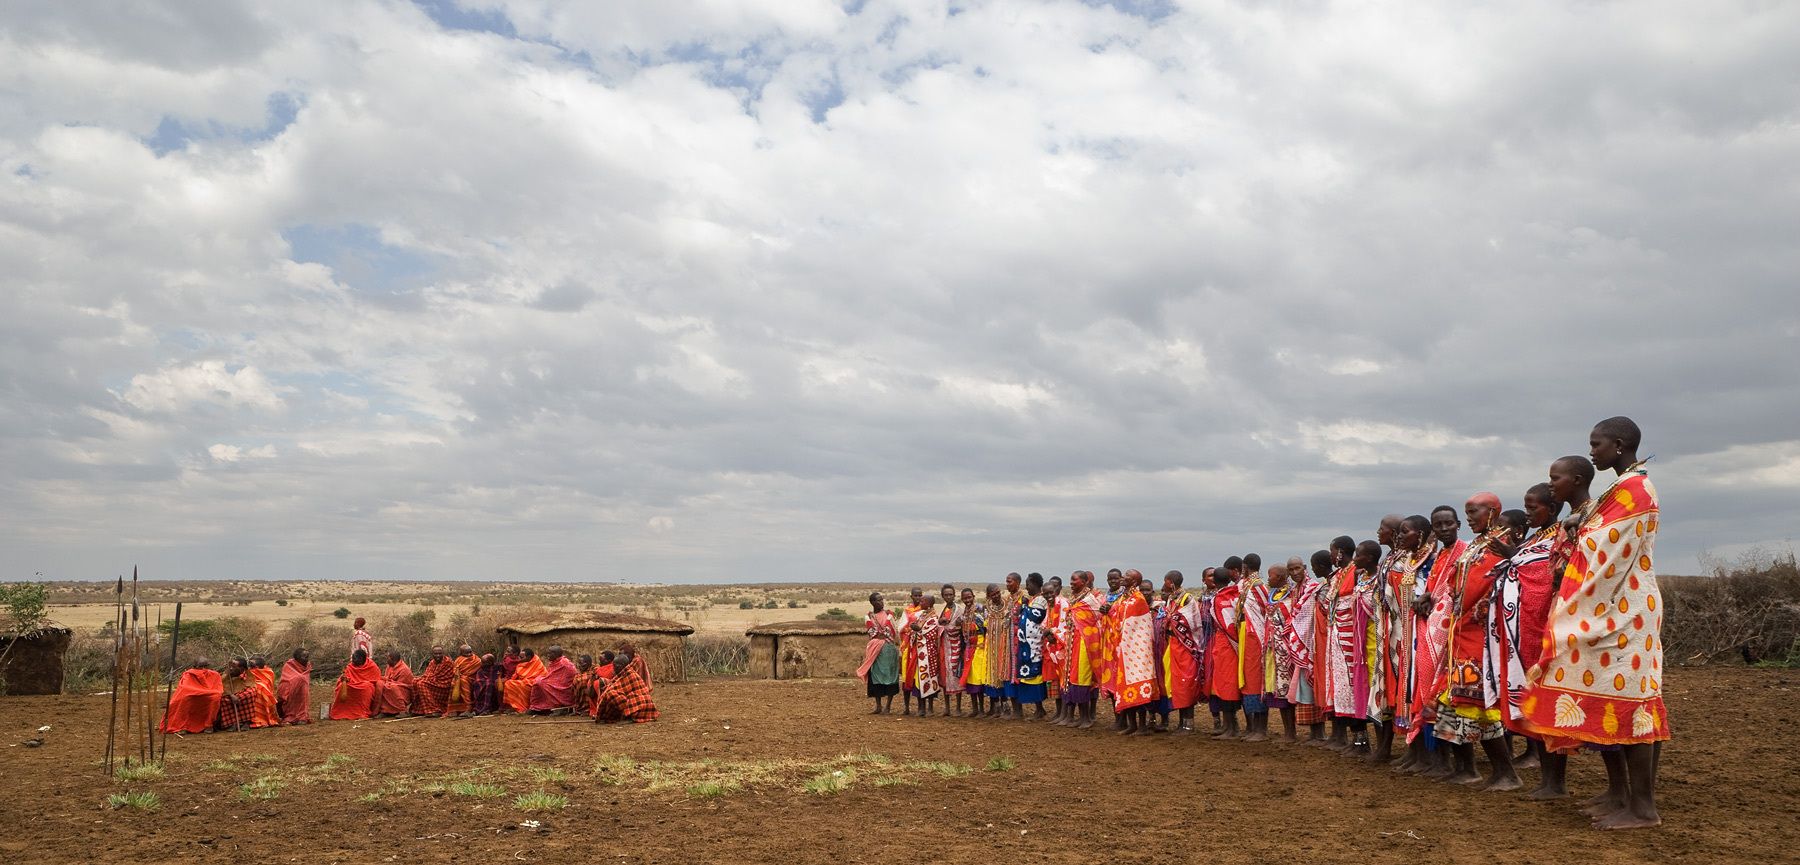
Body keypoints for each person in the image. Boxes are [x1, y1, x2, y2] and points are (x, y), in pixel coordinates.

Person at [1520, 417, 1670, 830]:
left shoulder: (1636, 490)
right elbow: (1598, 532)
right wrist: (1579, 524)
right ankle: (1620, 795)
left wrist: (1579, 529)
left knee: (1633, 707)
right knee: (1607, 698)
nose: (1592, 452)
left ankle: (1643, 809)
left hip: (1626, 611)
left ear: (1618, 445)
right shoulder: (1619, 487)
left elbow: (1609, 545)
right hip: (1613, 610)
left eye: (1596, 444)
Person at [1432, 493, 1520, 790]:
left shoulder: (1498, 543)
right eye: (1467, 512)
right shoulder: (1480, 544)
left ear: (1493, 511)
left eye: (1474, 512)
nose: (1468, 517)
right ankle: (1466, 768)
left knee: (1479, 705)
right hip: (1461, 635)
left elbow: (1478, 585)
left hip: (1480, 638)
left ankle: (1506, 773)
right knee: (1455, 701)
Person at [1524, 454, 1596, 799]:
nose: (1551, 483)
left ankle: (1622, 792)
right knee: (1546, 701)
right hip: (1552, 620)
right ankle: (1553, 783)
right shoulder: (1571, 521)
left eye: (1556, 478)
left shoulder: (1594, 517)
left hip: (1580, 622)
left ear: (1577, 480)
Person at [1495, 486, 1563, 770]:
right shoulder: (1537, 538)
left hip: (1540, 625)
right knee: (1523, 687)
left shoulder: (1559, 536)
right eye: (1526, 507)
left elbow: (1543, 576)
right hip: (1519, 626)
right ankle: (1532, 749)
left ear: (1553, 508)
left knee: (1540, 690)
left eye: (1533, 507)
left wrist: (1512, 554)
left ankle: (1541, 755)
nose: (1528, 513)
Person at [1410, 505, 1467, 777]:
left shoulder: (1465, 551)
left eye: (1448, 523)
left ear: (1458, 524)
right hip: (1433, 632)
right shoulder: (1440, 555)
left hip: (1453, 635)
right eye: (1438, 525)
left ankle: (1458, 765)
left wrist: (1435, 600)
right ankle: (1442, 762)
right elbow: (1434, 588)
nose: (1444, 529)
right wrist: (1426, 598)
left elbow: (1460, 590)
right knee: (1432, 697)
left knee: (1447, 697)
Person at [1389, 516, 1438, 772]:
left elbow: (1436, 593)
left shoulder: (1431, 560)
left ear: (1420, 534)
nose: (1399, 536)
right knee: (1408, 692)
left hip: (1425, 633)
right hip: (1407, 634)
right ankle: (1415, 752)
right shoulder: (1409, 561)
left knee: (1422, 691)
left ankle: (1429, 756)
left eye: (1405, 532)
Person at [1324, 535, 1365, 752]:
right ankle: (1352, 740)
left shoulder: (1355, 572)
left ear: (1340, 551)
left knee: (1353, 688)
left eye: (1332, 551)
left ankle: (1361, 741)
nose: (1331, 555)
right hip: (1338, 638)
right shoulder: (1340, 574)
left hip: (1350, 638)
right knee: (1342, 689)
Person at [1107, 570, 1156, 735]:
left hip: (1136, 652)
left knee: (1137, 688)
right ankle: (1131, 725)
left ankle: (1142, 726)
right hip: (1122, 649)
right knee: (1124, 687)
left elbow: (1140, 628)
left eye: (1126, 576)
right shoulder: (1124, 598)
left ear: (1134, 581)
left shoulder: (1138, 600)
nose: (1123, 578)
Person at [1056, 571, 1104, 729]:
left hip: (1085, 644)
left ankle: (1086, 718)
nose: (1071, 582)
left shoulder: (1090, 600)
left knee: (1082, 678)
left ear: (1084, 581)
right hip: (1073, 643)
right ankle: (1081, 717)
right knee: (1073, 677)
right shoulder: (1075, 598)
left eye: (1074, 580)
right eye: (1070, 579)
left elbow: (1096, 620)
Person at [1161, 570, 1204, 735]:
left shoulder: (1187, 599)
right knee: (1176, 685)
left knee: (1186, 683)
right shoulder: (1171, 599)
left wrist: (1173, 619)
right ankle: (1181, 723)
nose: (1164, 585)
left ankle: (1188, 724)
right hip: (1173, 645)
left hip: (1186, 647)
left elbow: (1193, 621)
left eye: (1165, 582)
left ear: (1170, 582)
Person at [1206, 559, 1243, 739]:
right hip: (1236, 643)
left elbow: (1224, 624)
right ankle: (1231, 726)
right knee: (1229, 683)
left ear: (1214, 582)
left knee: (1226, 685)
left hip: (1225, 644)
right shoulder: (1236, 594)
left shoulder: (1218, 599)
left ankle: (1231, 728)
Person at [1262, 564, 1298, 742]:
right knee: (1278, 691)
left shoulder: (1291, 594)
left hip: (1286, 649)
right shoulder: (1274, 594)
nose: (1268, 579)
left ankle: (1291, 733)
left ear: (1282, 577)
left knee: (1287, 691)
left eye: (1271, 576)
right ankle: (1287, 732)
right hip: (1272, 649)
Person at [1237, 558, 1271, 742]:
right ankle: (1253, 727)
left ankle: (1261, 729)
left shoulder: (1257, 586)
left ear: (1245, 568)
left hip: (1257, 637)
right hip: (1247, 636)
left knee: (1257, 679)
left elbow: (1266, 611)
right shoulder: (1248, 585)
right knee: (1249, 679)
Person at [1012, 574, 1050, 720]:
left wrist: (1024, 607)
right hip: (1027, 646)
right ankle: (1038, 709)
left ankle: (1040, 709)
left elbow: (1035, 617)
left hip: (1034, 647)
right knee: (1030, 677)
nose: (1026, 587)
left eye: (1028, 584)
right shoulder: (1032, 600)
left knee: (1035, 677)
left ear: (1035, 584)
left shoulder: (1040, 600)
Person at [858, 592, 902, 714]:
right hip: (875, 651)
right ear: (872, 602)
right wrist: (881, 634)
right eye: (877, 600)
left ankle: (888, 706)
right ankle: (878, 706)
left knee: (891, 676)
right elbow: (873, 632)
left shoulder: (889, 614)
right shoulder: (869, 616)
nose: (881, 602)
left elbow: (889, 632)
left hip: (889, 650)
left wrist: (880, 634)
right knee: (875, 676)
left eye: (882, 599)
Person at [160, 658, 224, 734]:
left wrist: (209, 693)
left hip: (209, 696)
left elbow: (218, 689)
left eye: (206, 666)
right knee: (184, 699)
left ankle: (208, 725)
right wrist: (200, 692)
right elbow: (185, 688)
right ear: (195, 666)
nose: (203, 669)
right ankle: (183, 726)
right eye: (201, 666)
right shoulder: (189, 674)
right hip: (192, 695)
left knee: (216, 698)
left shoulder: (214, 674)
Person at [593, 651, 658, 723]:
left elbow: (616, 690)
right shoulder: (622, 674)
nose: (613, 668)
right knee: (609, 693)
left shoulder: (631, 675)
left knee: (611, 694)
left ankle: (628, 715)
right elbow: (616, 686)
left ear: (622, 665)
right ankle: (624, 714)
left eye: (615, 666)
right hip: (632, 703)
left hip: (640, 706)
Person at [910, 595, 944, 717]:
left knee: (929, 679)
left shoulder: (934, 618)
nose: (920, 601)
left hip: (929, 653)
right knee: (919, 680)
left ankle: (929, 708)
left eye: (923, 600)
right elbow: (916, 632)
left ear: (929, 604)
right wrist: (915, 630)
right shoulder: (922, 615)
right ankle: (921, 707)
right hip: (920, 653)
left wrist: (917, 630)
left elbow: (929, 635)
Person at [957, 587, 988, 716]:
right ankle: (975, 709)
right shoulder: (965, 612)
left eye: (969, 597)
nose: (967, 600)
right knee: (970, 678)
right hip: (969, 649)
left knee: (978, 679)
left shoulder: (980, 608)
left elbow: (986, 628)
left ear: (973, 596)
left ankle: (981, 709)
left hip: (979, 648)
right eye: (965, 598)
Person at [328, 649, 382, 721]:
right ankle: (341, 712)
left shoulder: (372, 666)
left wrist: (361, 683)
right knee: (341, 686)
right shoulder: (351, 666)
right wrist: (344, 679)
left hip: (364, 685)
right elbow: (345, 676)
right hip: (352, 684)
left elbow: (375, 680)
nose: (352, 661)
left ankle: (362, 713)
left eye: (355, 659)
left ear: (362, 659)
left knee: (367, 687)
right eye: (352, 658)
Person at [938, 584, 966, 717]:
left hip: (956, 646)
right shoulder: (941, 611)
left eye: (951, 594)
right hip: (944, 646)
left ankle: (958, 707)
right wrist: (941, 623)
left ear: (954, 595)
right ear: (942, 596)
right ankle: (947, 707)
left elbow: (962, 628)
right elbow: (938, 628)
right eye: (946, 595)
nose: (948, 597)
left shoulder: (960, 610)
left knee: (956, 675)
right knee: (944, 676)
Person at [898, 586, 926, 716]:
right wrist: (911, 629)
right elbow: (900, 628)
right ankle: (907, 707)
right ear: (911, 596)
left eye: (920, 595)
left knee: (920, 677)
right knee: (906, 676)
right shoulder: (907, 611)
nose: (918, 598)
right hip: (908, 647)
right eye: (916, 595)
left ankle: (921, 708)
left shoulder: (926, 611)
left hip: (920, 647)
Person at [527, 645, 578, 714]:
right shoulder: (555, 662)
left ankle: (550, 706)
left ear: (555, 654)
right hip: (555, 684)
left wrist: (543, 681)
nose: (547, 655)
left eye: (550, 653)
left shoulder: (565, 664)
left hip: (564, 689)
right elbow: (552, 676)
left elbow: (567, 679)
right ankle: (538, 707)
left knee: (540, 683)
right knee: (538, 682)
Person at [218, 658, 260, 731]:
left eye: (234, 667)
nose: (231, 668)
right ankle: (233, 723)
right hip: (230, 694)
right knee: (223, 699)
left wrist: (238, 696)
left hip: (242, 693)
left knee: (250, 693)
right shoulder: (227, 674)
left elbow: (251, 685)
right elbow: (222, 686)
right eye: (231, 666)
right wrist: (231, 695)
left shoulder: (248, 674)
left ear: (241, 668)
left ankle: (246, 722)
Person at [414, 646, 455, 717]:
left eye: (440, 653)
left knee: (421, 684)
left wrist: (428, 679)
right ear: (432, 654)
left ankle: (434, 710)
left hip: (444, 687)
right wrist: (427, 678)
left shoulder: (448, 662)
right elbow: (428, 674)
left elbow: (444, 678)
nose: (438, 656)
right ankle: (419, 709)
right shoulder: (432, 662)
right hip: (433, 683)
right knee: (414, 681)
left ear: (443, 653)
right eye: (436, 654)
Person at [501, 647, 545, 714]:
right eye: (519, 657)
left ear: (529, 657)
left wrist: (525, 681)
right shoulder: (520, 665)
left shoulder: (537, 663)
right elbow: (514, 676)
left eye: (522, 657)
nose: (519, 659)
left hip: (533, 683)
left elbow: (542, 676)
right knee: (508, 683)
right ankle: (515, 706)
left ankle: (522, 707)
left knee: (520, 685)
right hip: (522, 682)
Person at [374, 650, 416, 718]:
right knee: (380, 684)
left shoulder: (404, 669)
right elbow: (387, 678)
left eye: (388, 658)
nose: (386, 660)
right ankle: (385, 711)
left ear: (393, 659)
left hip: (403, 692)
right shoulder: (389, 666)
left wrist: (388, 682)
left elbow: (404, 685)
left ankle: (402, 710)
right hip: (390, 687)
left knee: (392, 687)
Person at [277, 648, 312, 726]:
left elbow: (305, 678)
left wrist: (301, 680)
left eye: (307, 657)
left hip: (302, 691)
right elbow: (286, 679)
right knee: (289, 700)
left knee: (302, 699)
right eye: (304, 657)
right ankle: (289, 717)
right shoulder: (289, 665)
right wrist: (298, 679)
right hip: (290, 689)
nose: (307, 659)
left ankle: (302, 717)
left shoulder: (308, 666)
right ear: (297, 658)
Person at [245, 655, 280, 729]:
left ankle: (262, 719)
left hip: (265, 693)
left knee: (262, 691)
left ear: (257, 666)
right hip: (252, 693)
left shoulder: (268, 672)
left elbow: (267, 684)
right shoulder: (247, 672)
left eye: (253, 666)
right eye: (250, 666)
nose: (251, 668)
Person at [446, 645, 480, 716]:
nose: (469, 654)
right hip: (459, 678)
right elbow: (455, 671)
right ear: (461, 653)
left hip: (472, 679)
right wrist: (458, 676)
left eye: (470, 652)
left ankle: (468, 708)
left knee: (463, 681)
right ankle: (454, 709)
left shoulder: (476, 660)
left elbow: (479, 672)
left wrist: (462, 677)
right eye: (466, 653)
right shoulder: (458, 660)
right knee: (455, 683)